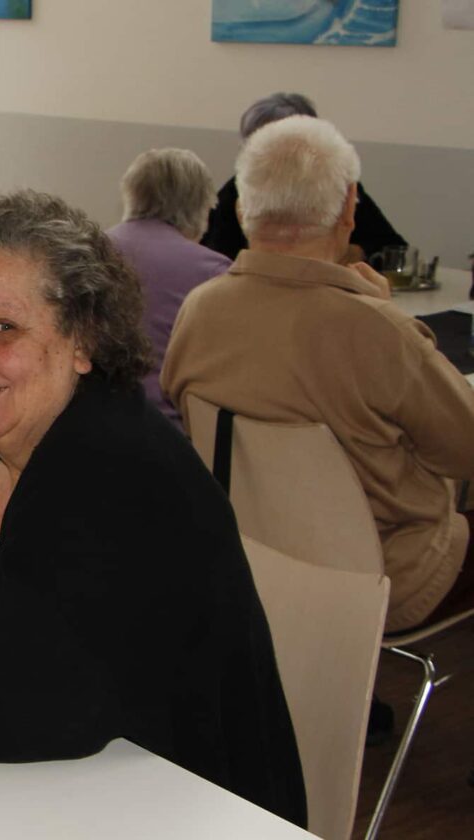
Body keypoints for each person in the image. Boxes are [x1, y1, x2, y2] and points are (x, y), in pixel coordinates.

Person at [0, 189, 307, 828]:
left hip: (185, 808)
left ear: (82, 341)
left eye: (3, 327)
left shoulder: (117, 470)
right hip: (34, 799)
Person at [163, 116, 474, 635]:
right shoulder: (380, 331)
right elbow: (463, 451)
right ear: (349, 209)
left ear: (241, 209)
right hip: (380, 575)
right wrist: (379, 314)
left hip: (246, 563)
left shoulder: (200, 310)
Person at [200, 92, 406, 264]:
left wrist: (353, 253)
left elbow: (393, 250)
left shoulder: (338, 184)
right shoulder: (236, 191)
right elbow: (215, 256)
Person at [107, 148, 230, 424]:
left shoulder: (88, 250)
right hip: (170, 432)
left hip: (84, 422)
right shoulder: (216, 273)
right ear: (200, 206)